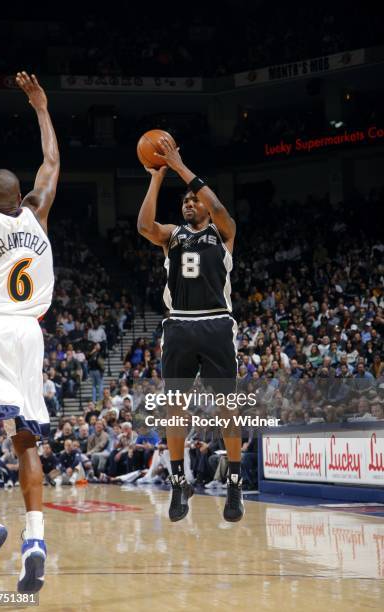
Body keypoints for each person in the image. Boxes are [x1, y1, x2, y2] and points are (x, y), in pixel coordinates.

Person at [0, 72, 59, 593]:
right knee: (27, 440)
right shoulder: (39, 213)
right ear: (21, 196)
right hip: (31, 336)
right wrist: (41, 108)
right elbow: (50, 163)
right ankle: (36, 539)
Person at [137, 135, 244, 522]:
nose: (188, 202)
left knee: (227, 409)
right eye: (184, 200)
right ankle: (180, 482)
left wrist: (181, 167)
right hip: (179, 323)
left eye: (192, 199)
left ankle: (234, 482)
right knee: (175, 410)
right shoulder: (173, 236)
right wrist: (157, 176)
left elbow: (218, 206)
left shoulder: (223, 232)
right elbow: (144, 225)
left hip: (216, 322)